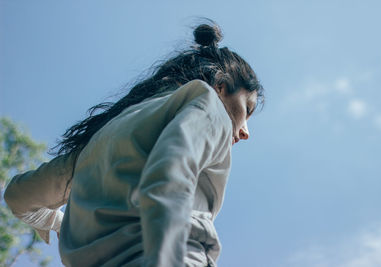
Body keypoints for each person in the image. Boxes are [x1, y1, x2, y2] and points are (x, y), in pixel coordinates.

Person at [4, 21, 264, 267]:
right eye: (247, 109)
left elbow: (17, 197)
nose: (245, 132)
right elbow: (169, 177)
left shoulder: (96, 143)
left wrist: (61, 223)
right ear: (220, 87)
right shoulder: (209, 106)